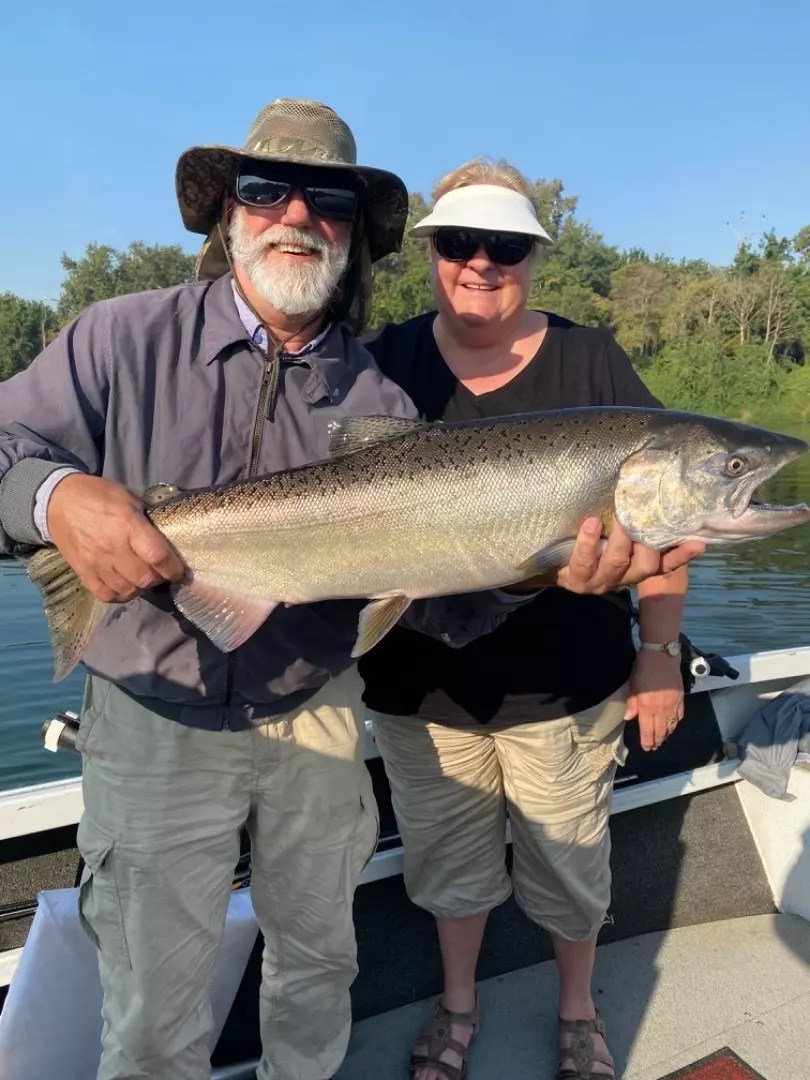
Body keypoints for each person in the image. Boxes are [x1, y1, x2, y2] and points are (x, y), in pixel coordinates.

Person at [0, 104, 686, 1080]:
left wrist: (544, 575)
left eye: (327, 198)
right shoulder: (121, 338)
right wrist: (58, 497)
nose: (296, 213)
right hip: (151, 719)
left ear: (353, 230)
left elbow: (445, 602)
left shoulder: (378, 399)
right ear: (225, 213)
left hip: (316, 714)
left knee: (319, 972)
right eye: (263, 188)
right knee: (155, 1010)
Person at [359, 159, 705, 1080]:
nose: (481, 261)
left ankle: (579, 1010)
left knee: (568, 870)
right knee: (447, 870)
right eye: (459, 242)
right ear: (430, 251)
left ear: (535, 257)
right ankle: (460, 1003)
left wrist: (660, 651)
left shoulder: (593, 361)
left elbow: (665, 527)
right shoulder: (381, 362)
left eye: (505, 245)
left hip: (564, 693)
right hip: (417, 691)